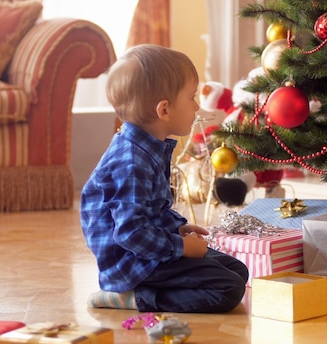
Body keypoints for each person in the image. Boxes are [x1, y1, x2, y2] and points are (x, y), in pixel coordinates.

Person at [80, 44, 249, 313]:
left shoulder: (150, 146)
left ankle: (153, 287)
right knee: (227, 288)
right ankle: (131, 297)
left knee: (237, 270)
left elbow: (152, 212)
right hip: (131, 263)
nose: (196, 106)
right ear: (164, 110)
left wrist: (177, 229)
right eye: (191, 97)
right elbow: (131, 233)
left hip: (150, 251)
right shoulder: (130, 162)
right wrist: (180, 247)